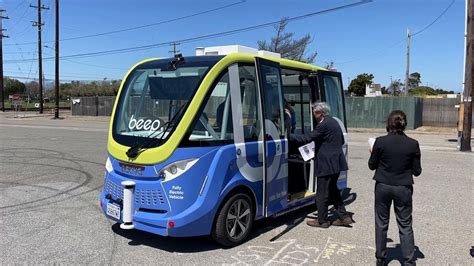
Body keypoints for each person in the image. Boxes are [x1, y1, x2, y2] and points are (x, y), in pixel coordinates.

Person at [368, 110, 422, 266]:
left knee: (381, 222)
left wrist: (373, 153)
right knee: (405, 224)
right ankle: (409, 261)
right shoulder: (413, 143)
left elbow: (372, 166)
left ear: (389, 124)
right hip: (403, 186)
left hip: (383, 185)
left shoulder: (380, 141)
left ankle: (381, 257)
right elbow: (417, 171)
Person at [290, 102, 351, 228]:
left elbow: (307, 138)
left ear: (320, 113)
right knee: (333, 190)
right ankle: (344, 217)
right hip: (337, 162)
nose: (313, 114)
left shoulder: (323, 125)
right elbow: (342, 140)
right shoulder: (334, 122)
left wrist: (288, 136)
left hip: (327, 164)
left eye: (314, 112)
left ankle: (322, 220)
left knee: (322, 193)